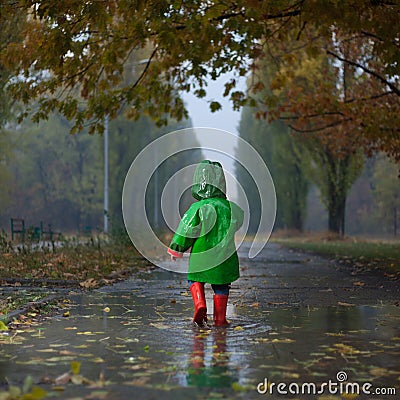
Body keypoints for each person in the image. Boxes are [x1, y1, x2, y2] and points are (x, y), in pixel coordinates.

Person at [167, 160, 244, 326]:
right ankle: (220, 319)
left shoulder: (198, 208)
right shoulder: (230, 208)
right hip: (225, 256)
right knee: (222, 286)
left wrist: (176, 248)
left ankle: (200, 303)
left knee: (195, 279)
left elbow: (186, 229)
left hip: (201, 255)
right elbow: (239, 220)